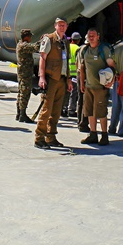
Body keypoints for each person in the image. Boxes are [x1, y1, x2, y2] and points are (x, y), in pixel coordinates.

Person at [34, 18, 72, 149]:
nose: (62, 27)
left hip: (61, 79)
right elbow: (42, 58)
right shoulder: (49, 39)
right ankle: (39, 138)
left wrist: (68, 79)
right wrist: (41, 77)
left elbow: (66, 62)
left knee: (56, 111)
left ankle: (51, 136)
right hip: (51, 79)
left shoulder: (65, 41)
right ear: (55, 26)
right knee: (46, 109)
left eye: (64, 25)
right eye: (59, 25)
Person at [77, 28, 116, 145]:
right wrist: (82, 83)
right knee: (89, 112)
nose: (91, 37)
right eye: (89, 35)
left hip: (101, 88)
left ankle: (104, 135)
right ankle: (93, 134)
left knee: (101, 112)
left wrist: (112, 81)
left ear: (98, 36)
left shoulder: (104, 49)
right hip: (89, 86)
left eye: (93, 35)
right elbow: (82, 67)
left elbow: (112, 66)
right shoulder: (85, 50)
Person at [15, 29, 38, 124]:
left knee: (21, 92)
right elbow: (36, 47)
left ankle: (19, 113)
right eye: (30, 36)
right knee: (25, 93)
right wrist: (44, 39)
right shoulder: (23, 45)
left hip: (23, 73)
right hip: (25, 73)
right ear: (26, 37)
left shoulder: (20, 44)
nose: (31, 38)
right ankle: (22, 114)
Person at [65, 31, 82, 119]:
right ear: (78, 40)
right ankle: (71, 110)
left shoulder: (67, 46)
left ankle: (64, 109)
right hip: (75, 74)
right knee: (74, 92)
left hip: (66, 72)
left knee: (66, 92)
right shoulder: (78, 48)